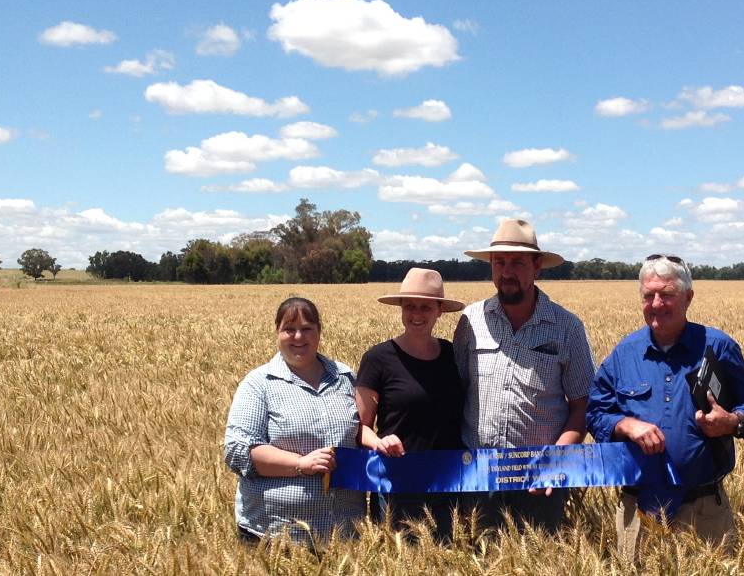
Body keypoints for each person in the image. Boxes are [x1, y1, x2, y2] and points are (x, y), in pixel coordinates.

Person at [586, 254, 744, 556]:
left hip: (705, 513)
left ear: (688, 297)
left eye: (667, 294)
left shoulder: (718, 347)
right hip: (639, 511)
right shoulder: (625, 353)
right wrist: (627, 425)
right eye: (649, 295)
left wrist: (733, 421)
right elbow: (595, 413)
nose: (657, 304)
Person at [453, 218, 596, 533]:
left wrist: (557, 458)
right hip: (479, 477)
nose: (506, 272)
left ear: (537, 267)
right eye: (499, 262)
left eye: (517, 262)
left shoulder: (567, 327)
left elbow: (583, 405)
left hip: (540, 480)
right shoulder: (471, 321)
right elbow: (457, 391)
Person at [223, 297, 365, 546]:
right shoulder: (259, 383)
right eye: (289, 329)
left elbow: (362, 431)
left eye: (307, 328)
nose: (299, 337)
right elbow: (238, 451)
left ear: (319, 332)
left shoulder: (344, 377)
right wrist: (301, 463)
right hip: (275, 536)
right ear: (277, 332)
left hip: (343, 533)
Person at [356, 268, 466, 541]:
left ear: (440, 310)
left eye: (426, 307)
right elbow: (359, 426)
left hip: (450, 485)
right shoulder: (378, 358)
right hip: (397, 485)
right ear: (401, 309)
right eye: (410, 306)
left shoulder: (454, 355)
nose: (416, 314)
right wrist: (379, 442)